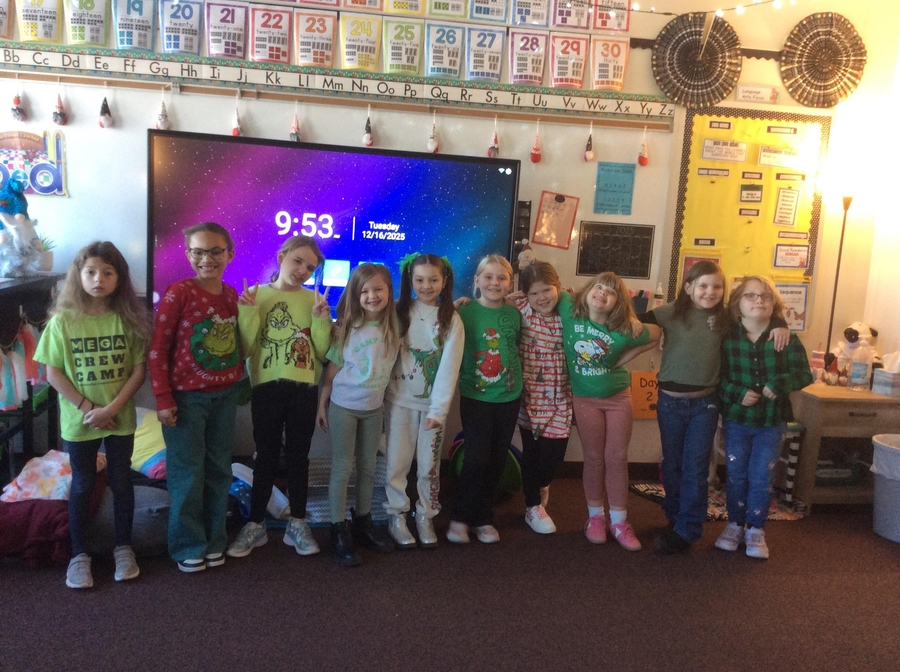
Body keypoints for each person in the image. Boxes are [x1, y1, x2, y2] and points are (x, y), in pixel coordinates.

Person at [640, 262, 790, 555]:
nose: (710, 292)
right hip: (669, 403)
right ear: (688, 287)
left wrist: (780, 323)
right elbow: (634, 319)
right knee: (672, 464)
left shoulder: (726, 316)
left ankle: (688, 529)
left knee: (695, 467)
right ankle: (675, 517)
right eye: (703, 285)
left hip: (705, 404)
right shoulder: (671, 312)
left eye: (717, 286)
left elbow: (756, 314)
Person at [35, 241, 149, 589]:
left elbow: (138, 371)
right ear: (79, 275)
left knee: (121, 481)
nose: (99, 279)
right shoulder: (63, 322)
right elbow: (53, 373)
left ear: (119, 278)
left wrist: (111, 409)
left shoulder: (128, 320)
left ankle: (123, 548)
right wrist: (89, 409)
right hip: (79, 421)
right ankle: (79, 555)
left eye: (107, 272)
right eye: (91, 272)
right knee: (83, 483)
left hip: (119, 418)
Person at [227, 236, 332, 559]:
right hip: (266, 389)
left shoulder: (313, 299)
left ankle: (297, 523)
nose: (302, 270)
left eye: (310, 268)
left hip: (304, 391)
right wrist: (247, 313)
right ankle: (255, 524)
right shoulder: (256, 295)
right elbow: (245, 349)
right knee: (266, 457)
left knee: (299, 458)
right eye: (297, 261)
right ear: (282, 256)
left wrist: (320, 319)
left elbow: (322, 352)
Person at [148, 222, 244, 573]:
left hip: (224, 397)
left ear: (229, 254)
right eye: (199, 252)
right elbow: (158, 349)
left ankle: (215, 540)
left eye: (215, 251)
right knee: (187, 472)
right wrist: (163, 397)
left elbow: (240, 344)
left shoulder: (232, 296)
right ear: (189, 255)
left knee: (219, 469)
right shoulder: (179, 293)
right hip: (186, 400)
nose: (207, 259)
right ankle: (188, 544)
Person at [558, 272, 660, 551]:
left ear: (618, 303)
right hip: (585, 399)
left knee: (616, 459)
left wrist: (627, 354)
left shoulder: (625, 329)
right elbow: (540, 290)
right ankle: (596, 518)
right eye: (599, 286)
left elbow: (656, 333)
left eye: (611, 292)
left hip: (617, 398)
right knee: (593, 459)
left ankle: (619, 521)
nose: (603, 292)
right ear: (588, 290)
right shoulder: (569, 308)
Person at [716, 276, 811, 559]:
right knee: (736, 475)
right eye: (751, 295)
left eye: (766, 296)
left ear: (774, 304)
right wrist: (736, 393)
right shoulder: (727, 339)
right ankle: (734, 523)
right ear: (738, 303)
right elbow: (717, 378)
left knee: (761, 476)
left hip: (771, 421)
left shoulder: (786, 338)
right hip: (737, 419)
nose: (759, 300)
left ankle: (756, 528)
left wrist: (779, 384)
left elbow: (804, 374)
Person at [316, 263, 400, 567]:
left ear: (389, 291)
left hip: (373, 409)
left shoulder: (395, 326)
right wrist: (322, 405)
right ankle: (338, 528)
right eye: (364, 291)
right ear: (355, 295)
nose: (372, 296)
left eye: (378, 289)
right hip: (344, 407)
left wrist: (457, 304)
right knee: (342, 468)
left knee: (367, 467)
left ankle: (363, 522)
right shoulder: (347, 328)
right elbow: (331, 372)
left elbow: (426, 311)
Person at [383, 254, 464, 548]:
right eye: (419, 280)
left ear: (444, 280)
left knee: (429, 466)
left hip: (432, 408)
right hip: (398, 403)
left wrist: (438, 409)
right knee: (397, 463)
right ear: (410, 280)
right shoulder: (397, 312)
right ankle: (397, 515)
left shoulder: (451, 319)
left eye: (433, 279)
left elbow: (449, 367)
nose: (426, 286)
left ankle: (425, 515)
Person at [447, 254, 522, 545]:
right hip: (476, 396)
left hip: (509, 396)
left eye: (502, 278)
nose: (495, 283)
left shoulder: (515, 314)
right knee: (476, 458)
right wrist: (452, 308)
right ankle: (461, 517)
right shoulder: (464, 312)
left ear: (510, 283)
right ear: (477, 280)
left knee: (497, 458)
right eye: (488, 277)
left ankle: (484, 517)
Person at [509, 261, 572, 534]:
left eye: (546, 290)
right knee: (532, 454)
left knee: (552, 458)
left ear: (558, 286)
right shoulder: (521, 307)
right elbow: (494, 299)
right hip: (530, 398)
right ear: (526, 295)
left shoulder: (569, 309)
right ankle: (532, 505)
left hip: (561, 399)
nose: (541, 298)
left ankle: (541, 485)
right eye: (534, 293)